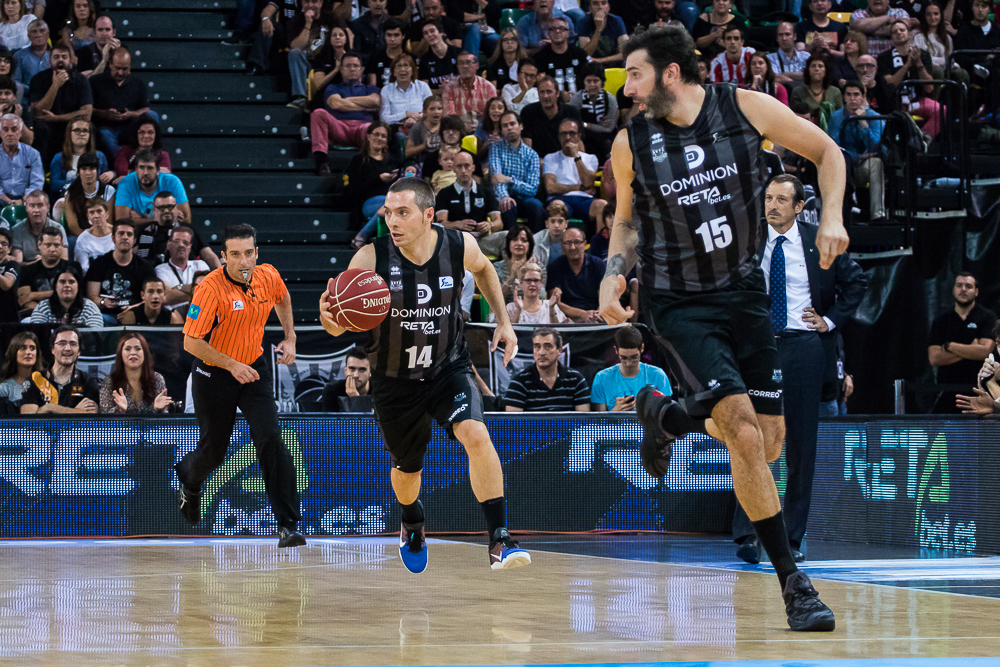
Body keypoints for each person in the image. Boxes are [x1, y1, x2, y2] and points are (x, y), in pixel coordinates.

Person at [600, 25, 847, 630]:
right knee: (742, 431)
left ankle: (667, 416)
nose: (627, 88)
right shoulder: (631, 142)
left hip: (745, 294)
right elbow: (626, 222)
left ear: (671, 73)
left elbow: (829, 154)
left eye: (635, 74)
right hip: (679, 301)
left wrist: (832, 218)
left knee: (769, 441)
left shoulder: (744, 107)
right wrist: (612, 276)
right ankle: (794, 585)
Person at [318, 177, 530, 572]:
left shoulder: (458, 245)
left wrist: (504, 321)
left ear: (428, 214)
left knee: (476, 434)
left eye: (403, 212)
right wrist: (330, 317)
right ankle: (412, 519)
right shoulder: (370, 258)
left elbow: (485, 269)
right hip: (394, 379)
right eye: (388, 213)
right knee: (408, 469)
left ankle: (500, 538)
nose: (393, 221)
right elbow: (338, 323)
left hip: (447, 367)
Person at [731, 174, 867, 564]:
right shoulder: (747, 241)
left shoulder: (817, 240)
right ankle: (748, 535)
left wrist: (830, 320)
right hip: (758, 348)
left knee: (801, 446)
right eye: (768, 198)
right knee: (750, 439)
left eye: (780, 200)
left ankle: (791, 538)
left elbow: (857, 282)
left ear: (799, 206)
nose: (771, 206)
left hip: (804, 346)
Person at [177, 223, 305, 548]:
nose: (243, 261)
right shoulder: (209, 288)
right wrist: (231, 364)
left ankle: (288, 525)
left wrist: (290, 337)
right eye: (235, 254)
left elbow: (283, 297)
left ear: (257, 253)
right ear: (223, 256)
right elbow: (191, 342)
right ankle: (189, 479)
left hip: (253, 368)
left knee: (271, 439)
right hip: (214, 373)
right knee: (213, 453)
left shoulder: (268, 276)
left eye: (249, 253)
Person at [928, 273, 996, 413]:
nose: (963, 289)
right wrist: (972, 348)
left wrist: (950, 346)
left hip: (979, 391)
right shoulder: (941, 320)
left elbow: (985, 352)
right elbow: (935, 358)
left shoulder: (987, 317)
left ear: (976, 291)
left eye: (968, 286)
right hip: (947, 391)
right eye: (959, 285)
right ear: (953, 290)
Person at [310, 52, 380, 173]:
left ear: (361, 69)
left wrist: (346, 101)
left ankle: (369, 166)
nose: (352, 69)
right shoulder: (333, 87)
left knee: (370, 128)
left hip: (362, 128)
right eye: (348, 66)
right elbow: (336, 104)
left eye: (355, 65)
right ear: (341, 70)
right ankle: (322, 161)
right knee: (318, 113)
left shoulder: (370, 88)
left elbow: (375, 101)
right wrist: (364, 106)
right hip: (339, 128)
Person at [826, 81, 886, 221]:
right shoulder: (836, 117)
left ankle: (878, 215)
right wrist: (859, 156)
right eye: (849, 94)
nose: (852, 98)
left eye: (856, 95)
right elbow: (834, 147)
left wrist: (863, 123)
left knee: (876, 163)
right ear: (844, 97)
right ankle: (844, 211)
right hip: (843, 166)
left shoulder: (874, 116)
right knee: (841, 161)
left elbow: (875, 145)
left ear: (863, 96)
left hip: (863, 167)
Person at [28, 43, 93, 165]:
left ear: (70, 61)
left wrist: (57, 118)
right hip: (47, 125)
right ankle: (43, 169)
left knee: (89, 128)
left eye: (64, 57)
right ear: (50, 61)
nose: (60, 60)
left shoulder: (80, 80)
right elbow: (38, 112)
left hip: (70, 123)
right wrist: (55, 85)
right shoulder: (38, 79)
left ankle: (83, 166)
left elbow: (87, 114)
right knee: (41, 128)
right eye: (56, 57)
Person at [85, 219, 157, 322]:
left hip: (136, 317)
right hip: (105, 317)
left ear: (135, 240)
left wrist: (133, 309)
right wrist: (103, 302)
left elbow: (152, 297)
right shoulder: (99, 264)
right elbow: (91, 297)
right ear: (113, 238)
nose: (125, 237)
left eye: (129, 234)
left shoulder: (145, 267)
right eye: (121, 233)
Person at [505, 326, 590, 411]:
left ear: (559, 350)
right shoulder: (519, 383)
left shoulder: (576, 380)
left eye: (548, 347)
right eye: (537, 347)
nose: (541, 352)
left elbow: (583, 418)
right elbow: (513, 419)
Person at [90, 49, 155, 159]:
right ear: (110, 64)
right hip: (106, 126)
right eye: (117, 68)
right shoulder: (95, 81)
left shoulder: (138, 83)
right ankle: (123, 162)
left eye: (125, 69)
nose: (120, 73)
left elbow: (145, 109)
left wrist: (131, 114)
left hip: (129, 126)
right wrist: (104, 113)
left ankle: (146, 157)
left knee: (153, 115)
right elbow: (87, 109)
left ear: (130, 67)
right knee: (105, 136)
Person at [20, 325, 100, 414]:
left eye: (73, 344)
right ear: (52, 349)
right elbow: (28, 417)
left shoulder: (88, 381)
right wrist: (76, 411)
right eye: (62, 343)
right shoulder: (34, 379)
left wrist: (50, 408)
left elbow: (91, 416)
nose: (67, 348)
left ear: (79, 352)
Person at [542, 117, 607, 226]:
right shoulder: (550, 158)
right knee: (556, 206)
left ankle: (600, 238)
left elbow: (587, 182)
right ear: (559, 137)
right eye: (564, 134)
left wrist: (576, 156)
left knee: (602, 205)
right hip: (561, 199)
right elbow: (550, 187)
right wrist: (580, 188)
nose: (568, 137)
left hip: (585, 200)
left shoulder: (591, 158)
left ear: (579, 136)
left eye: (572, 133)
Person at [591, 325, 671, 411]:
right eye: (624, 358)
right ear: (616, 351)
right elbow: (599, 418)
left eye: (634, 357)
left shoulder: (658, 375)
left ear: (642, 348)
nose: (629, 363)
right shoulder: (602, 378)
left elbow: (666, 413)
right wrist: (615, 411)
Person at [490, 110, 544, 231]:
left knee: (537, 207)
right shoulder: (496, 148)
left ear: (521, 126)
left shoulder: (532, 154)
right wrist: (504, 196)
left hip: (525, 198)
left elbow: (533, 188)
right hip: (504, 195)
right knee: (507, 206)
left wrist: (510, 180)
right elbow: (496, 179)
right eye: (505, 125)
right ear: (502, 130)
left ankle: (536, 242)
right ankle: (511, 241)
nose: (509, 128)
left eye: (512, 124)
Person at [134, 191, 218, 267]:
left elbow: (208, 255)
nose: (166, 211)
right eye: (161, 207)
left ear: (176, 208)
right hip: (150, 275)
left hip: (186, 274)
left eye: (170, 207)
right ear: (154, 209)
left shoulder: (189, 230)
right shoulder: (143, 230)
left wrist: (221, 274)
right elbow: (131, 256)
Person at [115, 149, 191, 225]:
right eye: (141, 167)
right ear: (136, 169)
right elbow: (122, 222)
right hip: (137, 232)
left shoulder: (172, 181)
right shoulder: (126, 182)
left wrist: (141, 220)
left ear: (157, 170)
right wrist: (165, 217)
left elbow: (186, 219)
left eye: (150, 168)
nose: (145, 173)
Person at [99, 332, 171, 414]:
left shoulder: (157, 379)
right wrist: (119, 411)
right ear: (121, 354)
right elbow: (103, 417)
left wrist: (156, 409)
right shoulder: (110, 381)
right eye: (127, 349)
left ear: (145, 353)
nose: (133, 352)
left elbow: (165, 417)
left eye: (138, 349)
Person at [520, 75, 583, 166]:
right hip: (540, 163)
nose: (545, 96)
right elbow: (527, 148)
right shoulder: (528, 112)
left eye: (549, 92)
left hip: (567, 161)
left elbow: (579, 143)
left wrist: (580, 162)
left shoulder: (571, 112)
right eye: (542, 92)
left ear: (557, 93)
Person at [435, 149, 501, 237]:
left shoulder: (486, 192)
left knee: (505, 235)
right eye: (459, 166)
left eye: (467, 166)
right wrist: (457, 224)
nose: (463, 170)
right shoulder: (444, 193)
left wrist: (489, 225)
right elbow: (439, 224)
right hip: (455, 239)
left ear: (473, 168)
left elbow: (499, 223)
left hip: (481, 238)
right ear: (453, 169)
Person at [285, 0, 338, 107]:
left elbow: (346, 34)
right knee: (294, 53)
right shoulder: (295, 21)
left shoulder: (331, 18)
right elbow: (296, 46)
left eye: (314, 1)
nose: (310, 5)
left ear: (321, 3)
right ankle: (301, 98)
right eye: (306, 1)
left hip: (327, 63)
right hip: (306, 64)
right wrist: (308, 23)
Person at [544, 226, 604, 322]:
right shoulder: (555, 266)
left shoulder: (598, 264)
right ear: (562, 246)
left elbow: (605, 298)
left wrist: (596, 315)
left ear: (585, 244)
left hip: (596, 316)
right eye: (568, 243)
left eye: (576, 242)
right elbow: (555, 302)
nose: (572, 247)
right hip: (567, 318)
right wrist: (582, 314)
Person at [155, 224, 210, 314]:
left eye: (186, 242)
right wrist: (196, 290)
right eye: (177, 241)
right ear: (168, 245)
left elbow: (208, 290)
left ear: (190, 247)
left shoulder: (200, 265)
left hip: (199, 315)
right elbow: (166, 296)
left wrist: (177, 289)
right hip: (172, 317)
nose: (181, 245)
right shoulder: (160, 269)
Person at [533, 16, 590, 101]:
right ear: (548, 34)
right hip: (553, 102)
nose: (557, 31)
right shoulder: (540, 57)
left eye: (562, 28)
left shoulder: (580, 54)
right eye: (553, 29)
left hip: (580, 101)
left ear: (568, 33)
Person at [568, 63, 617, 162]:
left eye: (596, 81)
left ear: (602, 82)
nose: (592, 85)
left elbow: (609, 128)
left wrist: (585, 124)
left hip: (605, 138)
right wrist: (594, 126)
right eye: (588, 81)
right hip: (584, 137)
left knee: (608, 143)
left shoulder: (610, 99)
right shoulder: (577, 99)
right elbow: (574, 124)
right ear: (584, 82)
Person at [49, 119, 111, 194]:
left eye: (85, 130)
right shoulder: (59, 157)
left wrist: (112, 174)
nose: (81, 134)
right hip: (68, 196)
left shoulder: (100, 156)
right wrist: (80, 181)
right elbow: (54, 184)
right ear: (69, 133)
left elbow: (104, 182)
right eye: (77, 130)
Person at [61, 151, 115, 236]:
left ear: (97, 171)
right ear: (78, 171)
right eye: (84, 169)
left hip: (104, 235)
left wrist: (98, 239)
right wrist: (88, 239)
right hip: (81, 236)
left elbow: (109, 222)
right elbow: (72, 225)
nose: (88, 173)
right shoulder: (70, 193)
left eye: (92, 169)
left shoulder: (108, 191)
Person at [16, 224, 69, 311]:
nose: (52, 249)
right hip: (36, 314)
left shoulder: (72, 268)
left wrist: (33, 295)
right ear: (39, 245)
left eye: (56, 245)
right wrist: (57, 293)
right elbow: (23, 300)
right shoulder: (26, 270)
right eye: (48, 245)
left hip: (66, 313)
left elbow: (76, 296)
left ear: (62, 245)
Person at [29, 263, 102, 325]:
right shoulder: (42, 307)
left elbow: (96, 335)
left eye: (71, 282)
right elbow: (37, 334)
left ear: (78, 286)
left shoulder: (90, 308)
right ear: (55, 287)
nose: (67, 285)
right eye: (62, 282)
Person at [442, 51, 496, 133]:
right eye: (461, 63)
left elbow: (492, 116)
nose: (465, 66)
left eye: (468, 62)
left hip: (483, 131)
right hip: (459, 132)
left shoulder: (489, 87)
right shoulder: (449, 88)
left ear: (477, 65)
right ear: (458, 67)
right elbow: (449, 117)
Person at [493, 223, 546, 302]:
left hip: (530, 308)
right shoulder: (497, 267)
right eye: (514, 239)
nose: (519, 243)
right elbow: (495, 299)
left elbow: (542, 296)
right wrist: (512, 276)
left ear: (530, 245)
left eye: (524, 240)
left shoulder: (539, 267)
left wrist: (531, 274)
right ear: (508, 243)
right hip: (506, 308)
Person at [11, 190, 67, 263]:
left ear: (48, 207)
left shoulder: (58, 228)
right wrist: (38, 264)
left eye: (40, 205)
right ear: (26, 208)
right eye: (32, 205)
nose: (36, 210)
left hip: (53, 267)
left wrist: (45, 263)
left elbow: (64, 260)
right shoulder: (17, 230)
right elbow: (18, 263)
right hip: (27, 269)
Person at [110, 114, 170, 181]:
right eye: (142, 132)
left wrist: (130, 173)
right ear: (136, 134)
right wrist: (153, 171)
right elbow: (121, 173)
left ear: (156, 135)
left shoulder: (162, 155)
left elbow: (164, 177)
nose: (146, 136)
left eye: (150, 132)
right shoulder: (124, 151)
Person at [379, 54, 432, 128]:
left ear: (412, 70)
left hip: (422, 126)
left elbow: (431, 111)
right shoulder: (386, 90)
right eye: (399, 66)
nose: (402, 69)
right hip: (396, 128)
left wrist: (414, 118)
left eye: (406, 65)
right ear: (393, 72)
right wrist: (405, 115)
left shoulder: (422, 86)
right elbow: (384, 118)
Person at [0, 112, 43, 203]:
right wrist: (8, 201)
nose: (10, 133)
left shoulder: (33, 154)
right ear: (0, 133)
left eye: (14, 129)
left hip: (27, 200)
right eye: (5, 129)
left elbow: (37, 183)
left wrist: (23, 200)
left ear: (20, 132)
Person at [850, 0, 917, 55]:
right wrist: (887, 18)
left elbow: (901, 28)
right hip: (867, 63)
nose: (877, 0)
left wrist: (869, 30)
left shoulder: (900, 12)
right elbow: (858, 25)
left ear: (888, 1)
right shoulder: (858, 13)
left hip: (894, 62)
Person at [321, 346, 374, 412]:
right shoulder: (332, 392)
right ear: (345, 370)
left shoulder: (380, 392)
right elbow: (331, 419)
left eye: (362, 370)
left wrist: (356, 399)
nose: (356, 375)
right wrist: (354, 399)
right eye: (352, 369)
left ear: (370, 372)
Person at [0, 330, 43, 407]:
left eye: (32, 348)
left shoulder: (46, 384)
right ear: (13, 352)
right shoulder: (4, 388)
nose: (28, 352)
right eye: (23, 348)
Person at [578, 0, 626, 65]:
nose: (600, 7)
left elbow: (625, 52)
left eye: (603, 3)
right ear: (590, 9)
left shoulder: (617, 20)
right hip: (592, 65)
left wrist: (599, 60)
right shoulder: (583, 22)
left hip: (613, 63)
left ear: (608, 7)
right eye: (595, 3)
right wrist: (598, 30)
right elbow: (585, 54)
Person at [417, 20, 461, 91]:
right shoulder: (424, 60)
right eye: (426, 33)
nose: (429, 35)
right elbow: (424, 90)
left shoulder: (458, 53)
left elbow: (467, 81)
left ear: (441, 32)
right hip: (436, 97)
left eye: (432, 31)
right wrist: (440, 92)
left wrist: (452, 88)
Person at [72, 198, 112, 274]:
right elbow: (83, 269)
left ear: (107, 214)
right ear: (88, 216)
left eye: (99, 211)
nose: (96, 216)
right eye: (92, 212)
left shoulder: (117, 233)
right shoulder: (82, 239)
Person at [364, 17, 405, 89]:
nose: (392, 39)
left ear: (403, 36)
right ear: (384, 36)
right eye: (389, 35)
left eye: (396, 35)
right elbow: (372, 87)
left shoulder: (409, 58)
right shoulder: (375, 58)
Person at [404, 95, 443, 165]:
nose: (436, 112)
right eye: (432, 109)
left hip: (443, 163)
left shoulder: (446, 125)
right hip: (423, 163)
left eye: (439, 108)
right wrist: (424, 145)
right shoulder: (418, 127)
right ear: (425, 111)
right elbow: (407, 152)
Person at [12, 19, 49, 90]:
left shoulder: (56, 55)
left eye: (42, 31)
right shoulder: (19, 56)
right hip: (27, 95)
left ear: (47, 34)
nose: (38, 35)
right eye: (34, 31)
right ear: (28, 36)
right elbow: (16, 83)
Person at [768, 22, 809, 86]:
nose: (784, 38)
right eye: (780, 35)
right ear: (777, 38)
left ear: (795, 36)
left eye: (787, 34)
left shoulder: (806, 56)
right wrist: (798, 78)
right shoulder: (769, 59)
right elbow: (776, 78)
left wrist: (784, 75)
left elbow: (810, 77)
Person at [474, 95, 507, 161]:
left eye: (500, 108)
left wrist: (501, 144)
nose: (496, 110)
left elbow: (513, 153)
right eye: (492, 108)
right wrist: (486, 145)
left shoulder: (508, 128)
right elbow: (478, 154)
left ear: (505, 111)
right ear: (488, 111)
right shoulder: (481, 128)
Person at [0, 227, 17, 322]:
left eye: (4, 244)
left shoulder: (12, 265)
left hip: (7, 320)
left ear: (9, 249)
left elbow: (7, 284)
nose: (0, 246)